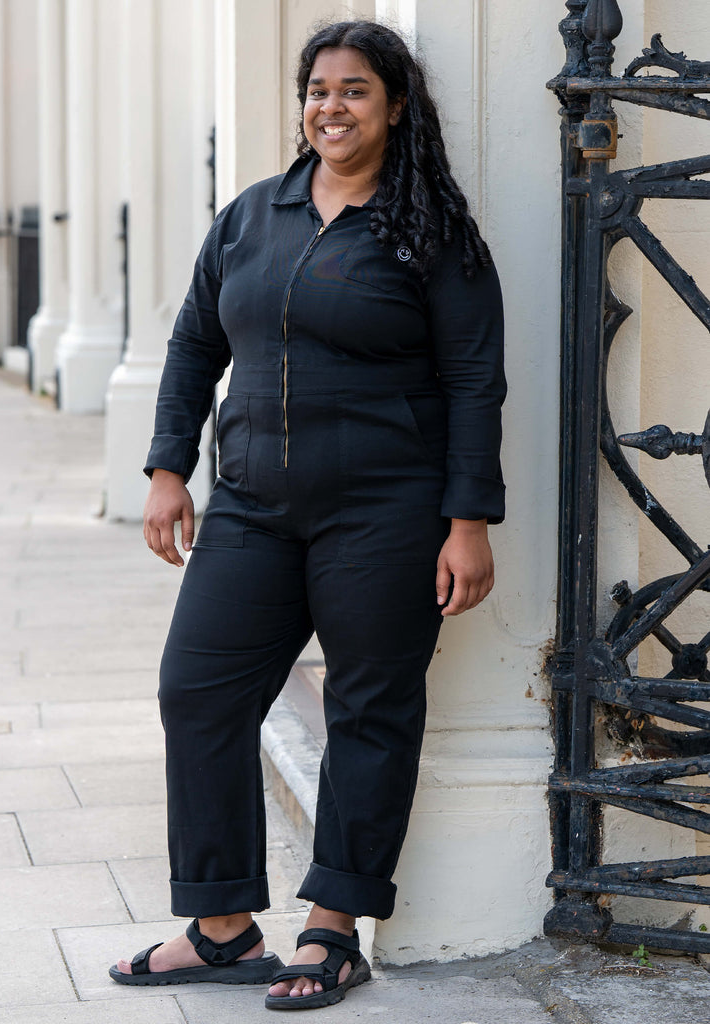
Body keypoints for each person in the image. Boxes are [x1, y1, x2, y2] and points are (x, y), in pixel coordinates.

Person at [109, 18, 505, 1012]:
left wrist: (469, 520)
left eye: (356, 89)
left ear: (397, 106)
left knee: (367, 706)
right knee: (198, 688)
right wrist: (167, 466)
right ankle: (222, 924)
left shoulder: (433, 235)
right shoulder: (253, 216)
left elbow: (472, 382)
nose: (331, 105)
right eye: (317, 88)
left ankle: (334, 928)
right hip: (250, 504)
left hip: (385, 510)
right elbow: (196, 341)